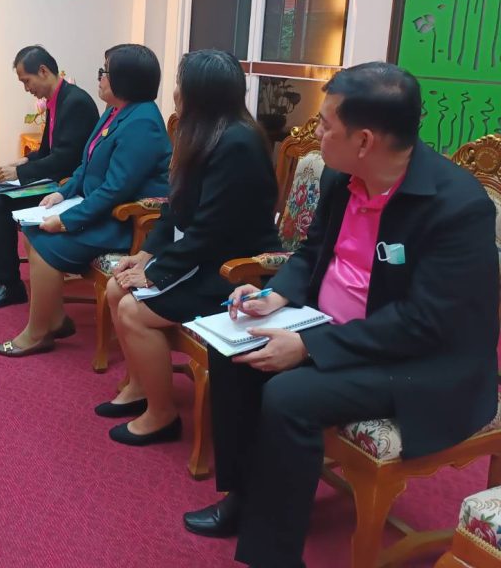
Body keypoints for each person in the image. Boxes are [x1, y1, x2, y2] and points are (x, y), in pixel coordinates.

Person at [183, 63, 500, 568]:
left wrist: (309, 346)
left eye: (327, 125)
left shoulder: (456, 206)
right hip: (332, 327)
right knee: (236, 350)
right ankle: (245, 499)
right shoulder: (342, 177)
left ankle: (273, 555)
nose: (317, 133)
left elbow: (424, 322)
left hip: (418, 359)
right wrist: (277, 296)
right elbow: (311, 251)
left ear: (365, 141)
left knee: (290, 395)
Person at [97, 50, 280, 445]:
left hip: (234, 270)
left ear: (202, 93)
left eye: (181, 84)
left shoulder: (238, 143)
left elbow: (212, 230)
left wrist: (156, 274)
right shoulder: (200, 132)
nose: (175, 92)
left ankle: (162, 416)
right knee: (116, 287)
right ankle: (140, 387)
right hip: (203, 256)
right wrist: (146, 255)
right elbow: (174, 207)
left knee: (133, 309)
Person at [0, 44, 172, 357]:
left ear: (125, 80)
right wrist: (62, 194)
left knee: (47, 243)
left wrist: (67, 220)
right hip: (100, 209)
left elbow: (116, 190)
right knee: (32, 230)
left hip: (124, 221)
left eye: (105, 72)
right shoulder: (115, 111)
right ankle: (54, 319)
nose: (99, 77)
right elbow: (86, 164)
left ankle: (38, 332)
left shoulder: (142, 122)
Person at [0, 45, 98, 308]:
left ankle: (10, 285)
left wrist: (20, 173)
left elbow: (66, 159)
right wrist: (23, 161)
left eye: (26, 81)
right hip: (55, 178)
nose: (26, 88)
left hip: (67, 186)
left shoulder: (75, 102)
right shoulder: (57, 100)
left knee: (1, 204)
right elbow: (46, 151)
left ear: (43, 71)